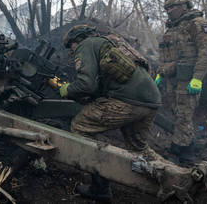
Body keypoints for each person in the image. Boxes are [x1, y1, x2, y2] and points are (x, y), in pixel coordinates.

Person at [60, 24, 162, 202]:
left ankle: (100, 188)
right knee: (138, 147)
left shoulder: (86, 45)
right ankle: (172, 179)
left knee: (80, 126)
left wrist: (67, 90)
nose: (72, 52)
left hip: (127, 101)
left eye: (71, 48)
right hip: (150, 100)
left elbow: (86, 84)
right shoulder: (110, 42)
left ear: (76, 40)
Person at [155, 0, 207, 166]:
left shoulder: (197, 24)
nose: (169, 11)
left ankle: (178, 153)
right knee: (178, 115)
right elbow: (166, 55)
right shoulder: (172, 28)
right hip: (172, 80)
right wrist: (161, 74)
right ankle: (188, 152)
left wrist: (197, 79)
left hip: (188, 81)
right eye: (166, 8)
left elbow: (206, 52)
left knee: (183, 116)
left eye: (172, 7)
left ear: (185, 6)